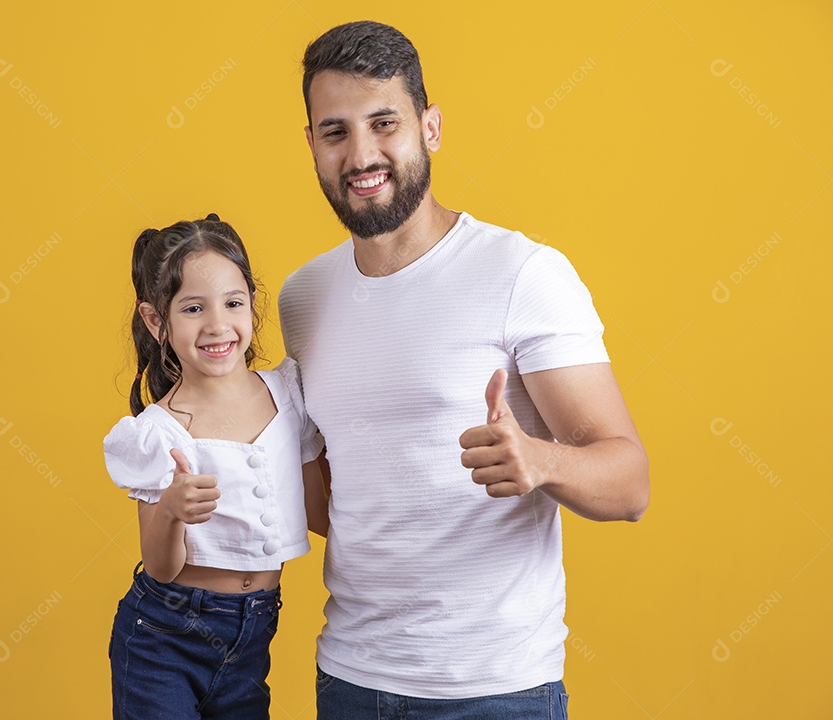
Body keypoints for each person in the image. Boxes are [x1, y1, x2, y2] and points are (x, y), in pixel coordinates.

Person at [278, 21, 650, 719]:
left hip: (497, 691)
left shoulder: (523, 274)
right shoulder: (302, 298)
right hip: (350, 680)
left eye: (384, 123)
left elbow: (630, 484)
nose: (361, 155)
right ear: (312, 145)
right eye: (335, 132)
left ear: (431, 127)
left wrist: (541, 461)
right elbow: (340, 500)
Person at [103, 214, 328, 719]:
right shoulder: (160, 431)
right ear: (156, 321)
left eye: (232, 303)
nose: (217, 325)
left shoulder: (287, 396)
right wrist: (170, 510)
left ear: (252, 302)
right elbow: (160, 567)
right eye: (192, 308)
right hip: (162, 638)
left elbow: (321, 514)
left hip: (253, 635)